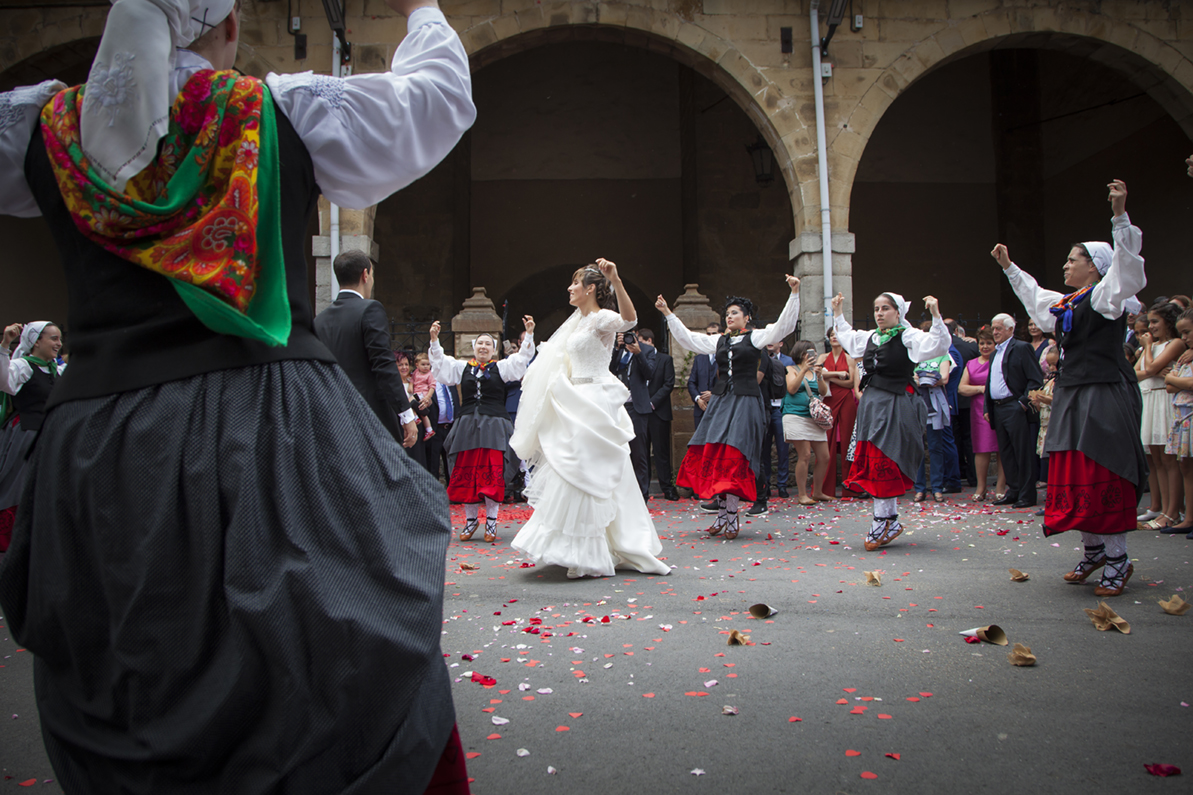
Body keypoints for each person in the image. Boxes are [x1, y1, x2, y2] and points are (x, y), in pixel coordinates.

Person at [0, 0, 476, 790]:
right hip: (269, 429)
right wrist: (421, 8)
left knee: (133, 658)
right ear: (226, 29)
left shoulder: (48, 130)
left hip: (107, 448)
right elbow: (432, 101)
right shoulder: (276, 112)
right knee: (316, 649)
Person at [992, 178, 1147, 596]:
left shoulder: (1106, 296)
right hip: (1074, 395)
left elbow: (1128, 268)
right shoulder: (1068, 304)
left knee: (1103, 470)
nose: (1065, 265)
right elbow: (1035, 297)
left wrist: (1119, 216)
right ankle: (1094, 549)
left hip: (1101, 393)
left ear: (1094, 267)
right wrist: (1009, 267)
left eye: (1072, 260)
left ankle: (1118, 558)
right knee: (1076, 473)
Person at [509, 261, 670, 579]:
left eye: (575, 283)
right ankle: (575, 547)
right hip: (575, 399)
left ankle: (593, 551)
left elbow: (630, 320)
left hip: (596, 400)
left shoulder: (601, 318)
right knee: (573, 469)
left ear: (591, 289)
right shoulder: (577, 322)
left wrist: (617, 280)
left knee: (591, 471)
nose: (570, 288)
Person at [657, 275, 802, 540]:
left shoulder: (757, 338)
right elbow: (690, 340)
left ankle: (731, 516)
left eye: (734, 313)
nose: (729, 317)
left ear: (746, 317)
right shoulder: (720, 341)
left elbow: (784, 326)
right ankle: (724, 515)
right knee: (716, 452)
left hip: (746, 402)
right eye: (727, 313)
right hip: (722, 403)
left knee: (735, 455)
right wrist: (668, 313)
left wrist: (794, 293)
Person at [830, 290, 951, 552]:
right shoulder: (871, 337)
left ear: (898, 312)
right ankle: (889, 520)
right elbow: (848, 339)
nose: (879, 313)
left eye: (885, 308)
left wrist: (935, 315)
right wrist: (838, 313)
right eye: (876, 309)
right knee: (876, 459)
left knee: (886, 459)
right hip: (874, 404)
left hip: (896, 403)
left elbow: (938, 345)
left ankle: (881, 519)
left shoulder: (908, 336)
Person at [429, 319, 535, 542]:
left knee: (492, 470)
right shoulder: (461, 367)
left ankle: (492, 520)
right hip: (467, 425)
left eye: (488, 343)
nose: (483, 347)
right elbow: (440, 364)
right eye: (480, 343)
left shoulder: (502, 368)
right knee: (467, 470)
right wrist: (434, 340)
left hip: (494, 425)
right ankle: (470, 520)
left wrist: (529, 335)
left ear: (494, 349)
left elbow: (522, 360)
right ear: (474, 348)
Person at [313, 250, 418, 447]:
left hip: (332, 415)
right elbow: (384, 365)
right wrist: (406, 416)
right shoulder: (370, 309)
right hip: (368, 415)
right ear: (365, 275)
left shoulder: (320, 320)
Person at [0, 321, 63, 552]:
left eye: (59, 338)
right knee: (18, 485)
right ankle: (8, 541)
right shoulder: (23, 366)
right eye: (53, 338)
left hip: (49, 437)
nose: (59, 343)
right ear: (37, 341)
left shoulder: (58, 370)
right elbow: (4, 382)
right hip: (25, 436)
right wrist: (5, 345)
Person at [1135, 300, 1187, 530]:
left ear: (1168, 322)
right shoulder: (1154, 346)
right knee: (1155, 458)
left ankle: (1172, 511)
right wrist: (1150, 366)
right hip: (1150, 399)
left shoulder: (1174, 343)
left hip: (1165, 400)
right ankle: (1161, 507)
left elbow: (1151, 369)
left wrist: (1147, 350)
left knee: (1168, 458)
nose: (1151, 327)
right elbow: (1137, 373)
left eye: (1155, 322)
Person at [985, 313, 1043, 509]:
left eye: (999, 328)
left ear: (1010, 329)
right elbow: (990, 382)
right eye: (993, 328)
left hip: (1014, 406)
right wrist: (987, 407)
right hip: (998, 407)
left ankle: (1027, 494)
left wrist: (1022, 403)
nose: (995, 332)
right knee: (1007, 452)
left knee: (1023, 452)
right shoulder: (994, 353)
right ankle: (1014, 490)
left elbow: (1035, 379)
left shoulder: (1022, 348)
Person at [958, 326, 1007, 501]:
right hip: (979, 409)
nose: (985, 346)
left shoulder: (1000, 361)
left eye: (989, 343)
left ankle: (1001, 486)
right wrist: (981, 388)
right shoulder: (971, 363)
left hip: (999, 407)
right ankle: (981, 487)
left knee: (1002, 447)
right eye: (982, 343)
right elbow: (962, 388)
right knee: (981, 449)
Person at [783, 339, 833, 505]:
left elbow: (824, 391)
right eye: (809, 352)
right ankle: (802, 494)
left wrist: (819, 376)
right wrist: (803, 370)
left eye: (814, 352)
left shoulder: (816, 370)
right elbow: (791, 389)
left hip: (814, 418)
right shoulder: (791, 369)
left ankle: (817, 492)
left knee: (824, 456)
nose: (813, 355)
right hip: (795, 416)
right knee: (804, 454)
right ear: (801, 353)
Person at [610, 326, 657, 500]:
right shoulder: (618, 350)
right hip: (618, 406)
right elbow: (609, 371)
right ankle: (620, 493)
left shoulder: (647, 350)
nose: (627, 339)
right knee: (618, 451)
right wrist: (616, 348)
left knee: (639, 453)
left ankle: (642, 495)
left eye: (630, 335)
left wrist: (638, 353)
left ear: (636, 335)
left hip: (637, 407)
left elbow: (649, 373)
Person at [638, 328, 679, 501]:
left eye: (640, 342)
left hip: (658, 411)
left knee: (662, 452)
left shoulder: (665, 359)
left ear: (649, 341)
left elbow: (668, 384)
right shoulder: (637, 359)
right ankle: (643, 489)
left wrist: (652, 402)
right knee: (641, 453)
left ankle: (667, 488)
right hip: (640, 412)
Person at [1162, 307, 1193, 536]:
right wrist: (1175, 379)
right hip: (1182, 416)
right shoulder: (1185, 357)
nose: (1184, 339)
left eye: (1188, 332)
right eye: (1181, 333)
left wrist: (1173, 377)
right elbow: (1170, 386)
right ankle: (1189, 517)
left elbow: (1184, 383)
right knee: (1186, 465)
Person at [819, 328, 859, 498]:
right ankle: (823, 489)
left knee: (847, 441)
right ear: (828, 339)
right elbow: (818, 373)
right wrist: (837, 375)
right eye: (831, 335)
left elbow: (851, 383)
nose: (834, 337)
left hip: (846, 401)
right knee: (825, 441)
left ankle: (849, 487)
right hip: (828, 400)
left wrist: (830, 377)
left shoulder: (850, 358)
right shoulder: (822, 357)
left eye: (837, 334)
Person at [912, 341, 954, 503]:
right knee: (918, 448)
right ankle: (920, 488)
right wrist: (930, 378)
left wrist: (924, 378)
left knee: (936, 446)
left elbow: (944, 378)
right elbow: (912, 378)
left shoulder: (944, 355)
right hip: (918, 404)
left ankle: (937, 488)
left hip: (935, 404)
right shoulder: (917, 357)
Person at [396, 351, 429, 469]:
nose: (404, 367)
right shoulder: (394, 385)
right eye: (400, 365)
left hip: (418, 425)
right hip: (402, 427)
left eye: (406, 364)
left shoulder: (414, 381)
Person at [687, 321, 720, 432]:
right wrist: (698, 399)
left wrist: (714, 395)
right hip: (700, 409)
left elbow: (729, 382)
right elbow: (691, 382)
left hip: (719, 410)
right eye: (708, 334)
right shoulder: (699, 358)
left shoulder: (725, 357)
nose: (710, 337)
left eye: (713, 334)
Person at [411, 352, 438, 440]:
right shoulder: (416, 372)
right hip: (416, 393)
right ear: (417, 365)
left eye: (428, 364)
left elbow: (432, 387)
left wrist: (427, 397)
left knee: (412, 403)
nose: (426, 366)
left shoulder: (430, 374)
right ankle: (428, 429)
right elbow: (412, 380)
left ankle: (417, 419)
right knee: (420, 412)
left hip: (423, 395)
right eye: (423, 364)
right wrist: (411, 386)